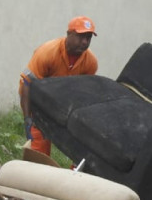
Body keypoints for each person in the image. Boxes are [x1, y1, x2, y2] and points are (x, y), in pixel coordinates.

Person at [19, 16, 99, 156]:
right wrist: (28, 119)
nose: (85, 42)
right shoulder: (47, 53)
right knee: (38, 150)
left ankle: (75, 175)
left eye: (88, 38)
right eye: (81, 37)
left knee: (82, 149)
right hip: (39, 101)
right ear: (69, 34)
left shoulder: (91, 62)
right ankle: (38, 171)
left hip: (64, 104)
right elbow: (27, 84)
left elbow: (84, 94)